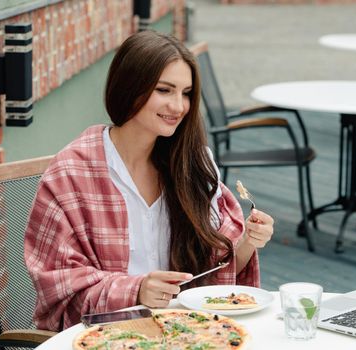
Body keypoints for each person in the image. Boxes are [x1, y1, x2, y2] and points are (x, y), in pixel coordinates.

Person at [24, 30, 274, 331]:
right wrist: (137, 290)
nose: (178, 106)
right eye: (164, 90)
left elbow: (215, 275)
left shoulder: (194, 164)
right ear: (130, 87)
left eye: (186, 93)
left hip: (184, 332)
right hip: (107, 335)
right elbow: (59, 288)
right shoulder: (70, 175)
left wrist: (247, 241)